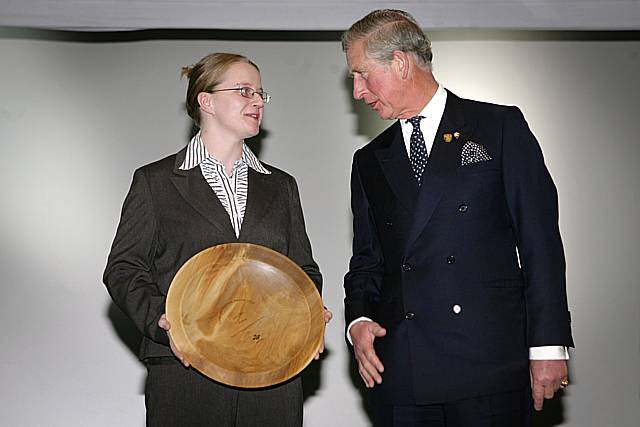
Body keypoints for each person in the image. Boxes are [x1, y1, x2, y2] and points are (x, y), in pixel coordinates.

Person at [342, 9, 573, 426]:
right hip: (405, 373)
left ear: (399, 62)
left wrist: (547, 346)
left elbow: (540, 243)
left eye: (361, 74)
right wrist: (358, 320)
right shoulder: (369, 160)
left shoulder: (499, 127)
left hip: (487, 364)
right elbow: (367, 262)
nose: (357, 91)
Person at [103, 52, 329, 426]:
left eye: (260, 94)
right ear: (205, 101)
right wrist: (164, 320)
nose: (257, 101)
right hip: (186, 373)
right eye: (244, 91)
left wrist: (306, 313)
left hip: (271, 375)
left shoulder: (282, 186)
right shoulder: (155, 182)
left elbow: (302, 269)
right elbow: (124, 269)